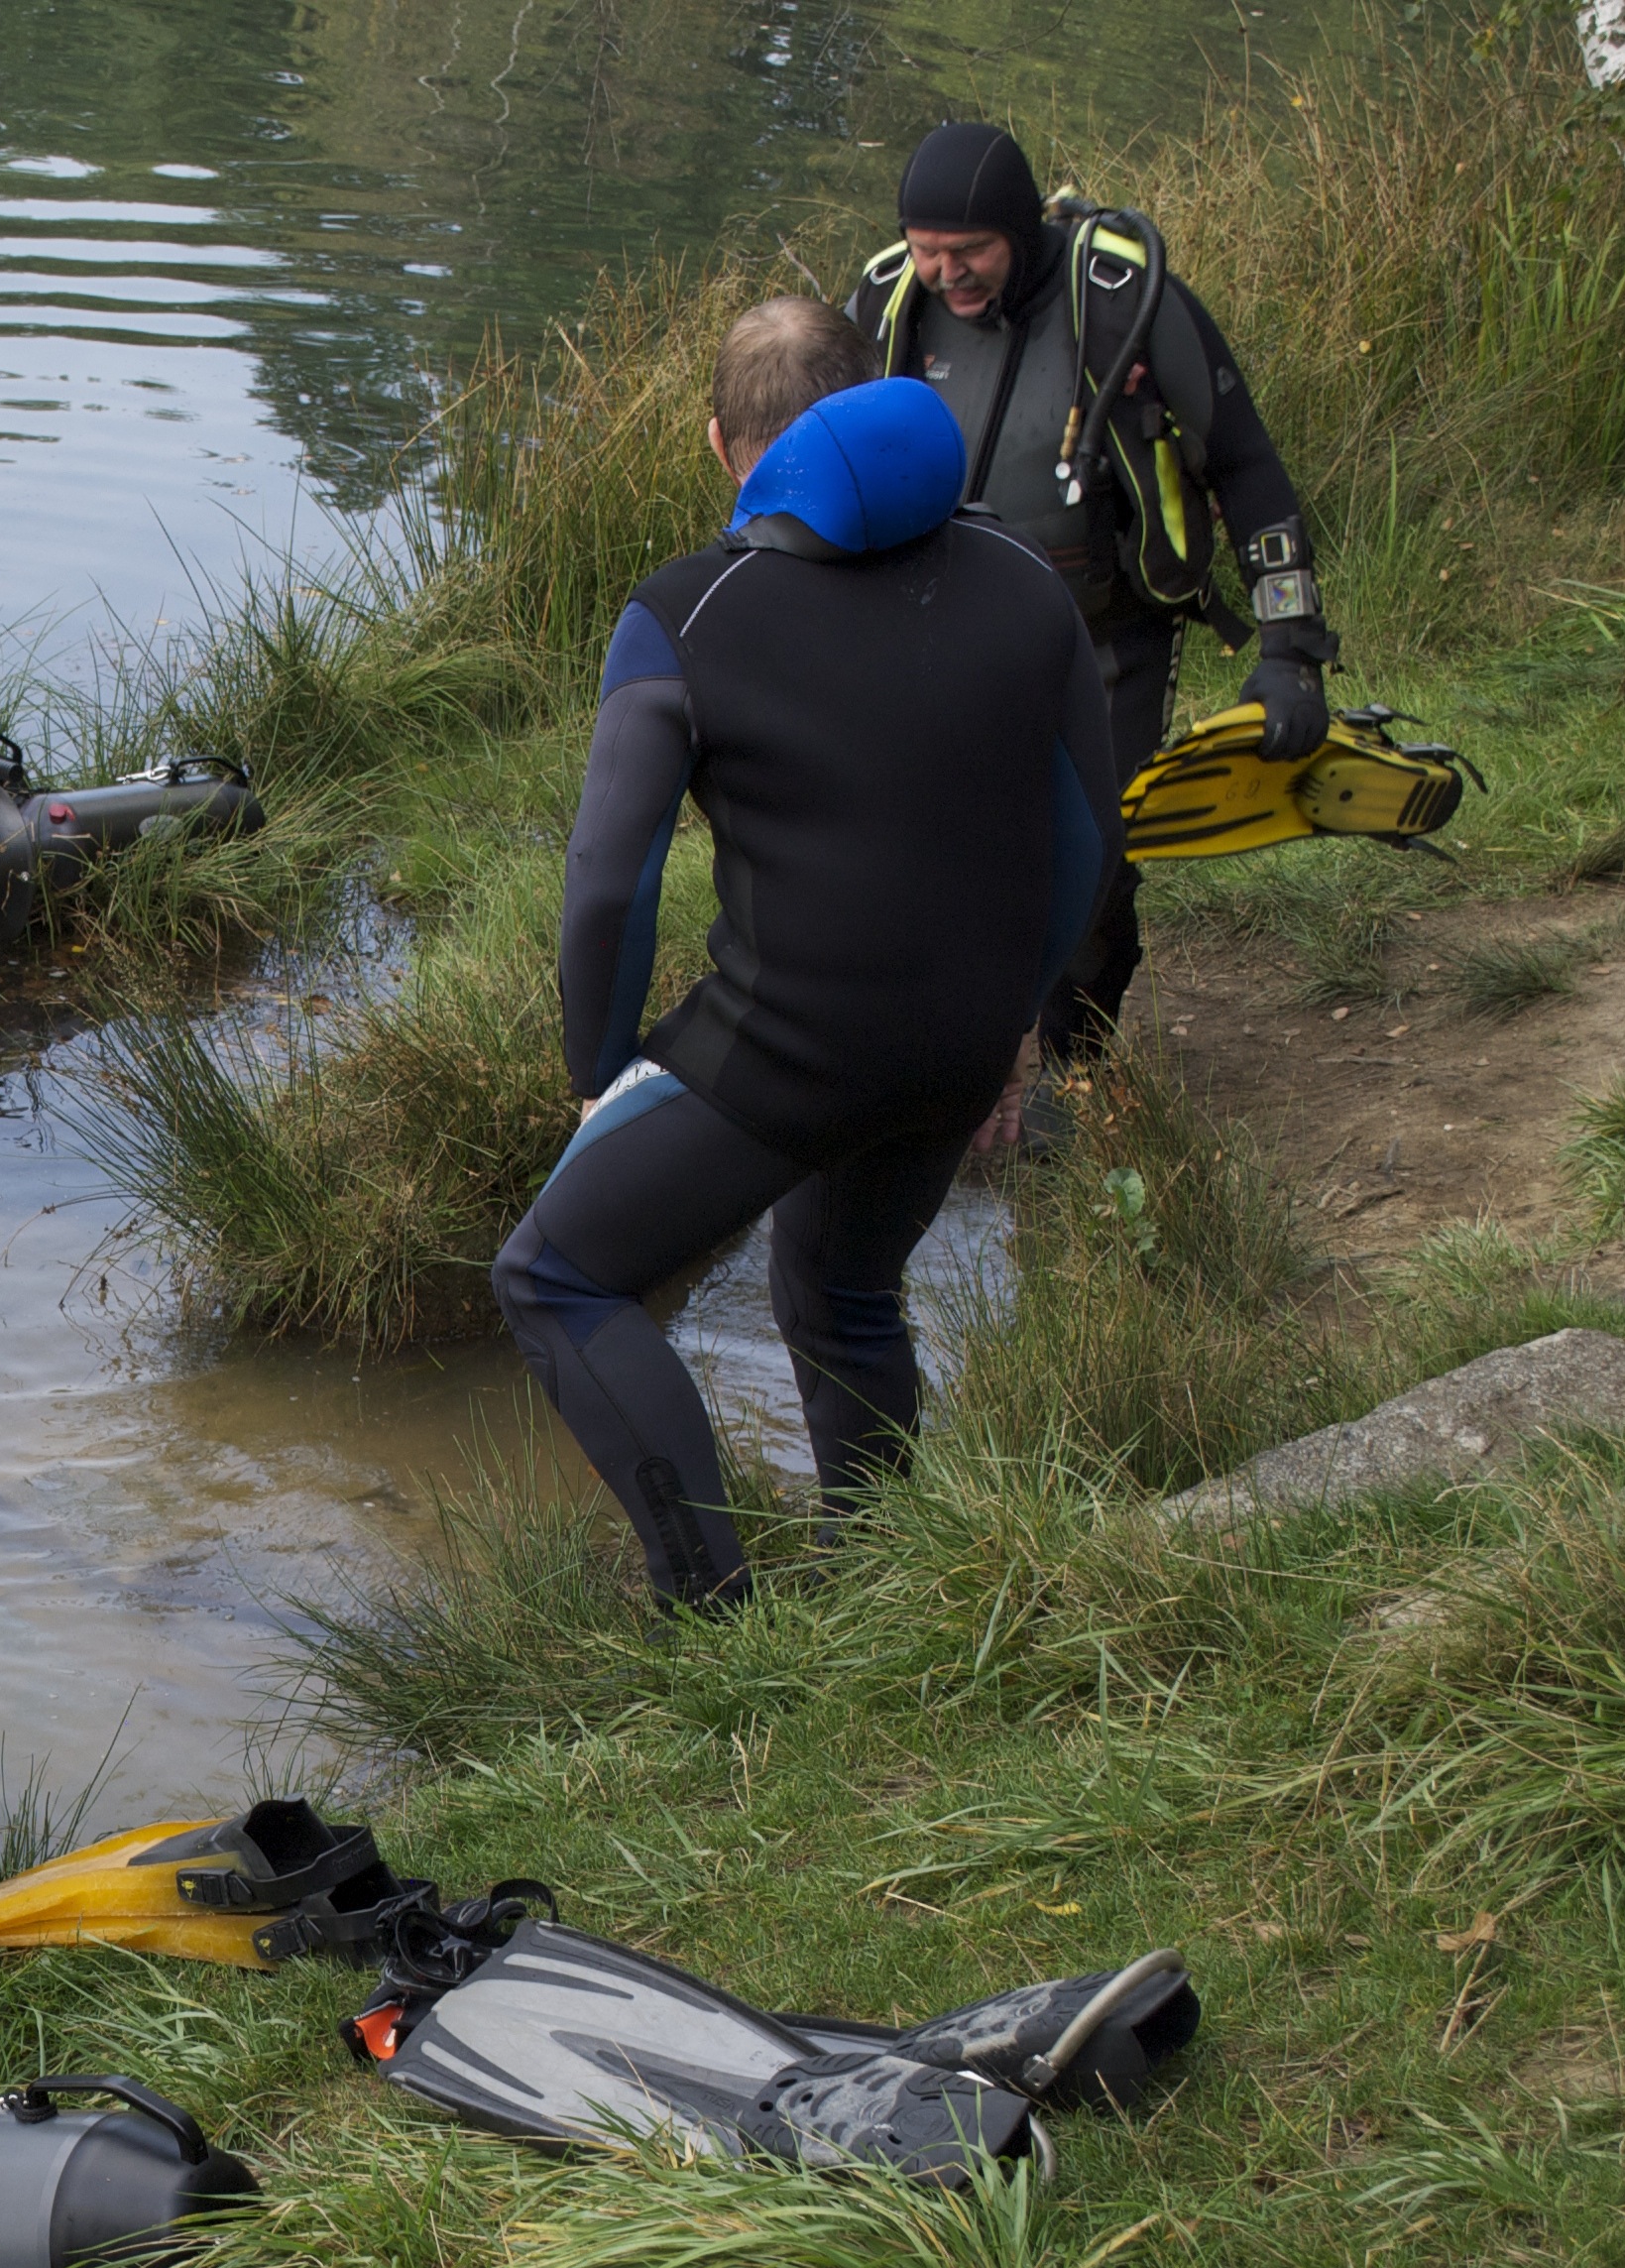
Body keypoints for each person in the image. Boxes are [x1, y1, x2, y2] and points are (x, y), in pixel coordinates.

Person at [492, 300, 1120, 1610]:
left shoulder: (686, 614)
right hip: (957, 1043)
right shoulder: (1019, 579)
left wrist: (600, 1072)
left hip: (791, 1046)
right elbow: (1086, 837)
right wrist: (1012, 1025)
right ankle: (883, 1585)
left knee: (555, 1274)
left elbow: (610, 878)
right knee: (840, 1284)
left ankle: (714, 1617)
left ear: (728, 445)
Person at [852, 121, 1335, 1061]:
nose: (948, 274)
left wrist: (1291, 650)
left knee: (1090, 868)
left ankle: (1078, 1066)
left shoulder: (1123, 301)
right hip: (941, 634)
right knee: (935, 858)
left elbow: (1248, 469)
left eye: (970, 252)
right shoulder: (886, 302)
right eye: (928, 251)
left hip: (1106, 641)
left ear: (1021, 228)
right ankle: (943, 1067)